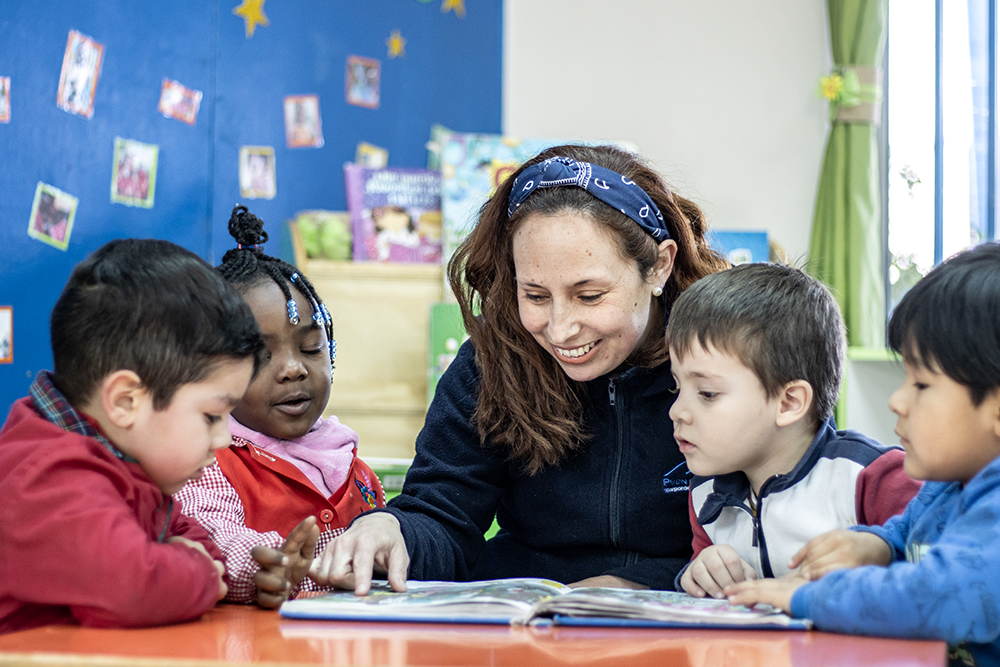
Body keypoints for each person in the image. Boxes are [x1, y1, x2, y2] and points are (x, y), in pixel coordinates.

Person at [310, 144, 731, 594]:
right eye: (534, 295)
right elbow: (442, 515)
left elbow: (769, 528)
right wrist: (392, 530)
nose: (560, 328)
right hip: (525, 617)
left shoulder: (730, 361)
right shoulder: (491, 362)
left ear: (659, 267)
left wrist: (634, 583)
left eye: (589, 296)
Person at [727, 242, 1000, 666]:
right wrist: (873, 546)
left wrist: (808, 597)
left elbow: (934, 595)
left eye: (922, 384)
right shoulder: (946, 488)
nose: (897, 400)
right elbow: (900, 536)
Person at [0, 239, 264, 633]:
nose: (223, 439)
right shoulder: (47, 477)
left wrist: (182, 559)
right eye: (212, 415)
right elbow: (136, 589)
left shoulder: (126, 467)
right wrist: (197, 571)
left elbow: (194, 538)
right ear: (125, 402)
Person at [665, 263, 920, 598]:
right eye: (676, 387)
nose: (676, 411)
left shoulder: (871, 478)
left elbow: (946, 570)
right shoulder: (705, 494)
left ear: (788, 403)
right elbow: (708, 591)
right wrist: (700, 571)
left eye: (707, 393)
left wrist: (878, 555)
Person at [176, 205, 385, 608]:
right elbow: (207, 533)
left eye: (311, 348)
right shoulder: (211, 461)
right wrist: (269, 566)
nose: (293, 370)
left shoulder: (351, 464)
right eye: (261, 355)